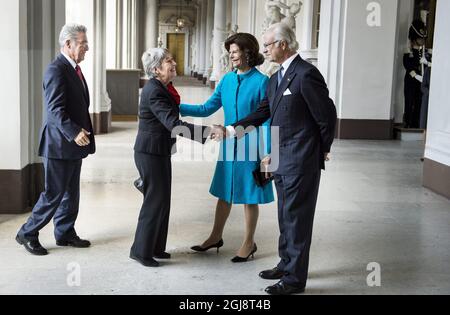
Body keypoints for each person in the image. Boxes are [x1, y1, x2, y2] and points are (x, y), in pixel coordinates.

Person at [211, 23, 337, 295]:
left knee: (297, 219)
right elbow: (262, 113)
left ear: (283, 44)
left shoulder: (306, 74)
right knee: (285, 216)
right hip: (281, 157)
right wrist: (230, 130)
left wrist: (321, 150)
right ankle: (285, 264)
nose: (264, 49)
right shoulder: (275, 78)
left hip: (302, 159)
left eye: (268, 44)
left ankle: (293, 280)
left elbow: (326, 116)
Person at [180, 33, 275, 262]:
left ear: (247, 52)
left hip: (252, 146)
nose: (231, 55)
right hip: (228, 144)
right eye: (230, 51)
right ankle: (215, 236)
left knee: (250, 195)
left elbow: (268, 119)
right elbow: (206, 108)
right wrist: (175, 105)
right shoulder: (226, 80)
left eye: (234, 51)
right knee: (225, 191)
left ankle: (249, 242)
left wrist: (270, 154)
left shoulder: (263, 82)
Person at [16, 24, 94, 256]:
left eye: (86, 43)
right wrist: (74, 131)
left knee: (71, 192)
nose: (87, 48)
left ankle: (65, 232)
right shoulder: (56, 70)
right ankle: (27, 233)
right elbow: (55, 110)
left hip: (72, 145)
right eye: (82, 43)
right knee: (53, 194)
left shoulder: (74, 69)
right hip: (59, 144)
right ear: (68, 44)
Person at [130, 48, 210, 268]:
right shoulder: (154, 90)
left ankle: (155, 247)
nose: (174, 63)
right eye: (168, 61)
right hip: (150, 152)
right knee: (154, 202)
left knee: (162, 201)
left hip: (159, 150)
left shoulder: (163, 87)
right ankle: (140, 250)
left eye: (172, 59)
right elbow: (174, 124)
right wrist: (207, 132)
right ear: (156, 69)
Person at [403, 19, 429, 129]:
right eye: (420, 38)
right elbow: (408, 67)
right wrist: (417, 76)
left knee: (419, 102)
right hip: (411, 81)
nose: (422, 40)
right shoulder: (409, 52)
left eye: (423, 38)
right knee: (409, 102)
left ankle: (416, 123)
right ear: (415, 39)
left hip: (421, 82)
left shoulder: (425, 53)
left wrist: (427, 61)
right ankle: (407, 122)